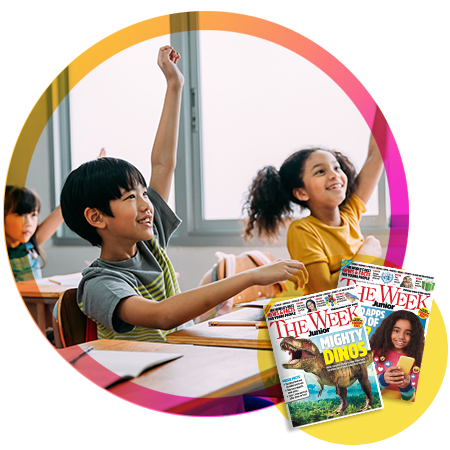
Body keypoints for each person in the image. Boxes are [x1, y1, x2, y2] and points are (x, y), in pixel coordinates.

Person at [59, 46, 305, 343]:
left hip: (179, 363)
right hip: (138, 383)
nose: (146, 204)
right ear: (96, 217)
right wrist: (251, 276)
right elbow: (162, 315)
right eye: (130, 198)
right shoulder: (100, 283)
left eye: (144, 194)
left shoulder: (149, 242)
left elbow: (163, 164)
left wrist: (174, 85)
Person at [243, 123, 384, 295]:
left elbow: (375, 155)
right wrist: (366, 255)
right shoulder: (302, 230)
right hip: (328, 316)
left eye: (336, 167)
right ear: (302, 193)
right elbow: (326, 291)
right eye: (320, 172)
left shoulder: (350, 214)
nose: (334, 175)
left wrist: (385, 106)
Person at [5, 185, 63, 281]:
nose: (29, 223)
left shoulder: (31, 243)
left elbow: (61, 211)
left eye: (33, 215)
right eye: (20, 215)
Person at [369, 310, 425, 401]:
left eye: (407, 333)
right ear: (388, 331)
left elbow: (415, 403)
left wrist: (406, 388)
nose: (401, 337)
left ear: (414, 336)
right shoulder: (374, 354)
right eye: (396, 331)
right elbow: (360, 390)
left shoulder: (417, 363)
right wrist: (382, 380)